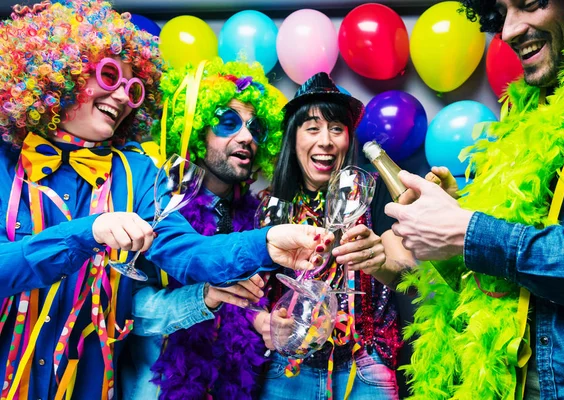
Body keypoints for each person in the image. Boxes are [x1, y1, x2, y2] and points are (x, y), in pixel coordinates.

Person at [0, 2, 330, 399]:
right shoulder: (5, 164)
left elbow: (187, 253)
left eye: (133, 88)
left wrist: (266, 243)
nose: (122, 96)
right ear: (57, 76)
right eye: (109, 76)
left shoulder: (138, 175)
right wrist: (88, 232)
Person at [384, 0, 564, 398]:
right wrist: (453, 223)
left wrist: (472, 233)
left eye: (530, 3)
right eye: (502, 14)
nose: (510, 31)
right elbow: (502, 275)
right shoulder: (523, 116)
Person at [120, 59, 284, 400]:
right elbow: (128, 310)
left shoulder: (256, 216)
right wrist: (202, 298)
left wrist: (258, 319)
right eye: (228, 122)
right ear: (195, 129)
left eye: (257, 130)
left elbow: (241, 303)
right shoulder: (153, 201)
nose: (247, 137)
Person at [259, 73, 414, 400]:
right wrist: (264, 320)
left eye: (336, 128)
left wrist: (377, 260)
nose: (326, 141)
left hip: (365, 366)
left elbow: (405, 270)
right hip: (289, 366)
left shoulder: (374, 191)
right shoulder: (270, 203)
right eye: (312, 128)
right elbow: (249, 290)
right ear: (294, 139)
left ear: (348, 138)